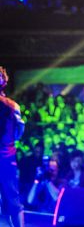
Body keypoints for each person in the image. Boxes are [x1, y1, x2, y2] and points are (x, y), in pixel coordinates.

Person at [0, 66, 25, 227]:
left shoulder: (11, 106)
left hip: (5, 156)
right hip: (6, 156)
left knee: (12, 199)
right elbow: (19, 132)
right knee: (11, 198)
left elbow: (18, 131)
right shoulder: (13, 106)